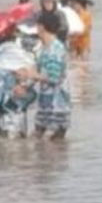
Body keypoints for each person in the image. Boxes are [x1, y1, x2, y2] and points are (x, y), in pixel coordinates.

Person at [24, 11, 71, 140]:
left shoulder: (55, 50)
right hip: (46, 105)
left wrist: (33, 75)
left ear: (42, 27)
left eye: (37, 26)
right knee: (38, 141)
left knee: (50, 147)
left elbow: (54, 77)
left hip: (57, 108)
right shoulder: (45, 48)